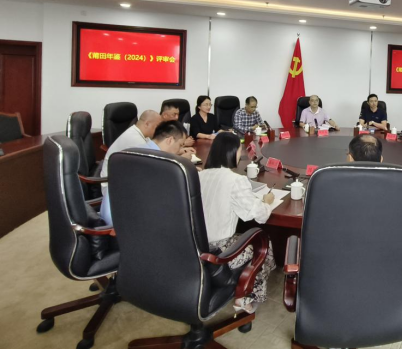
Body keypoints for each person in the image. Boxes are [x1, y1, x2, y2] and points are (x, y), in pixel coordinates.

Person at [198, 132, 276, 313]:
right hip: (219, 251)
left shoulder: (200, 176)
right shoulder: (235, 180)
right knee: (263, 244)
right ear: (232, 152)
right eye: (240, 150)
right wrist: (267, 201)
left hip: (195, 247)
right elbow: (260, 216)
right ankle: (245, 297)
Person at [100, 121, 189, 225]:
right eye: (180, 145)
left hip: (111, 215)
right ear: (170, 140)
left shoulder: (138, 150)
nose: (180, 150)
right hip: (122, 224)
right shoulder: (156, 161)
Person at [101, 110, 161, 177]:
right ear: (147, 124)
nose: (159, 130)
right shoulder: (135, 139)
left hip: (121, 175)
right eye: (157, 127)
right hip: (110, 180)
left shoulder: (139, 133)